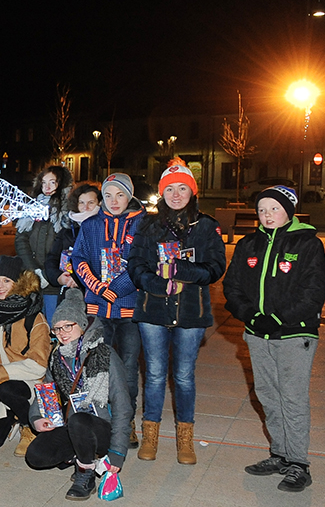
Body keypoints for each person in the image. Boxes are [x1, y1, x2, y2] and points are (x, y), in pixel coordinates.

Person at [223, 185, 325, 492]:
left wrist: (279, 318)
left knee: (292, 398)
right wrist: (251, 316)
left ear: (289, 211)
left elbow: (313, 293)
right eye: (262, 210)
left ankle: (299, 463)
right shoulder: (248, 245)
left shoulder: (309, 244)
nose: (267, 215)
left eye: (274, 208)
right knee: (268, 395)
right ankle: (280, 454)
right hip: (257, 333)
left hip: (295, 334)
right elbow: (232, 287)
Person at [128, 158, 226, 465]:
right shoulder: (148, 225)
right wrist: (157, 284)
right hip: (153, 311)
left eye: (183, 187)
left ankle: (185, 438)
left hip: (190, 313)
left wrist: (181, 270)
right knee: (155, 375)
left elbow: (215, 268)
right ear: (162, 193)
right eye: (170, 188)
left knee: (184, 376)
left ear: (192, 192)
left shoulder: (207, 226)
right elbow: (136, 266)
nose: (176, 194)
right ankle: (150, 435)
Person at [25, 289, 131, 500]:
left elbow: (123, 406)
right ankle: (80, 453)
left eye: (68, 326)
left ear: (81, 325)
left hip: (102, 428)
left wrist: (117, 453)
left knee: (80, 420)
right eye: (57, 329)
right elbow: (46, 390)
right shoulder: (57, 357)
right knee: (36, 456)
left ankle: (86, 472)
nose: (62, 333)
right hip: (72, 424)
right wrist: (36, 418)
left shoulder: (104, 354)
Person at [72, 172, 146, 449]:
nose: (114, 201)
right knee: (97, 365)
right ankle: (100, 418)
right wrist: (95, 285)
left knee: (127, 369)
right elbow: (78, 258)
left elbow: (144, 263)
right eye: (108, 195)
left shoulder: (142, 224)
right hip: (98, 309)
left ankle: (125, 423)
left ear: (130, 195)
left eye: (120, 194)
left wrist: (117, 288)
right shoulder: (91, 225)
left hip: (129, 309)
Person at [0, 255, 50, 456]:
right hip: (3, 382)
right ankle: (14, 413)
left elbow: (39, 365)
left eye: (7, 281)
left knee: (8, 389)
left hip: (30, 383)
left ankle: (29, 425)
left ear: (19, 284)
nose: (0, 286)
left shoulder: (34, 317)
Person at [15, 165, 73, 323]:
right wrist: (34, 270)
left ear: (62, 183)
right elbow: (21, 240)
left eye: (53, 182)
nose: (47, 187)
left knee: (55, 326)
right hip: (32, 279)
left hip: (56, 281)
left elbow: (67, 246)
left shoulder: (68, 211)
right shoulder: (32, 209)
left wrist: (48, 274)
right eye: (44, 182)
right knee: (34, 327)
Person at [45, 183, 101, 297]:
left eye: (91, 203)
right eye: (82, 203)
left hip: (98, 293)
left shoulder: (106, 228)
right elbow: (52, 259)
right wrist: (59, 278)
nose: (86, 207)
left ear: (99, 203)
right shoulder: (67, 229)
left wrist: (79, 279)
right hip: (69, 291)